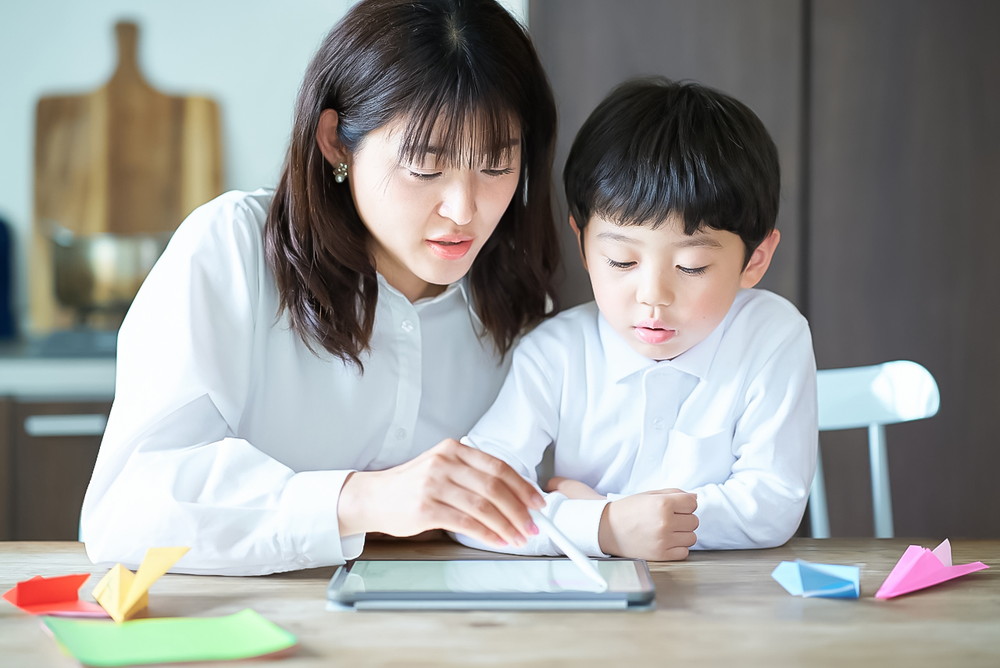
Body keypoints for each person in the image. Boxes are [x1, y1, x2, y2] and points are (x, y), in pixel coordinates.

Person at [80, 0, 560, 575]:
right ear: (335, 141)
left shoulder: (519, 299)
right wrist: (358, 500)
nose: (463, 209)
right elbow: (126, 509)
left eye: (496, 165)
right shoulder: (232, 249)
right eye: (425, 166)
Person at [459, 77, 818, 561]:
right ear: (583, 243)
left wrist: (614, 514)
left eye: (692, 267)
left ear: (754, 260)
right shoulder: (556, 352)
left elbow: (772, 504)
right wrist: (605, 527)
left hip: (724, 610)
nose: (652, 296)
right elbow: (473, 503)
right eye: (622, 262)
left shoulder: (772, 336)